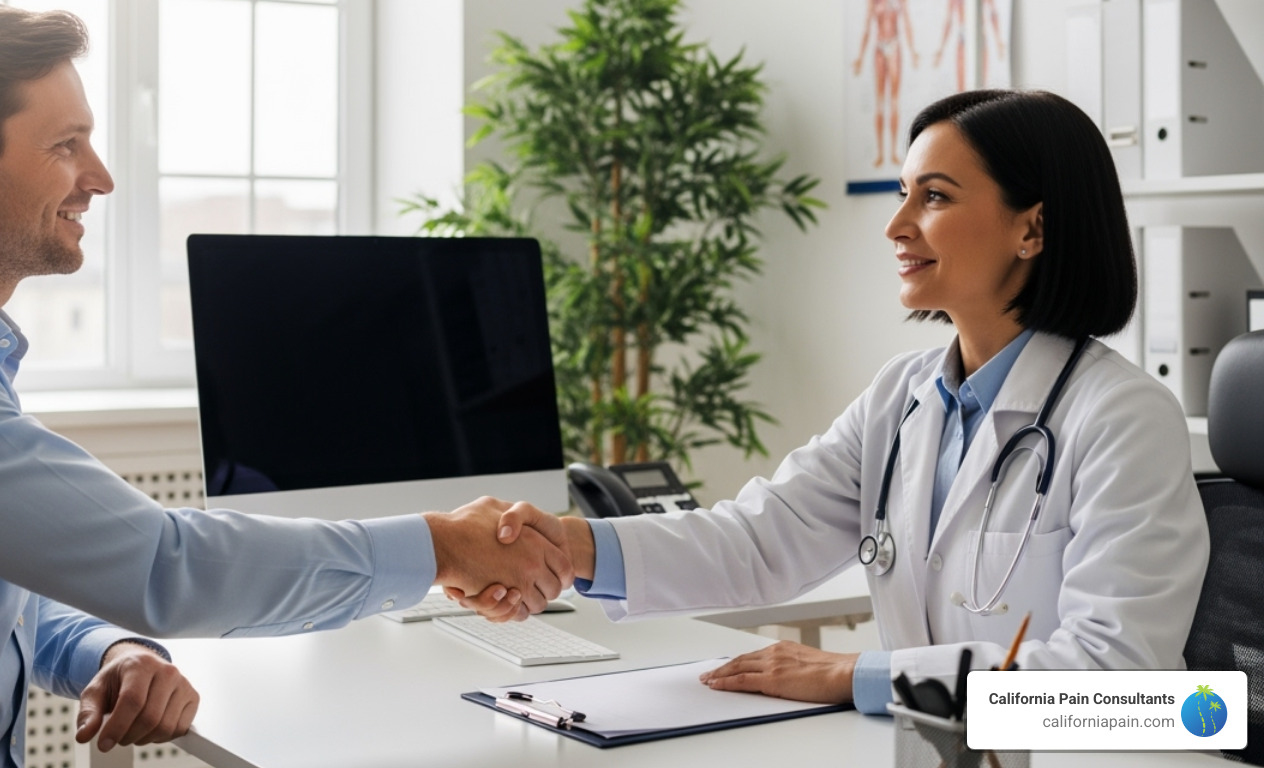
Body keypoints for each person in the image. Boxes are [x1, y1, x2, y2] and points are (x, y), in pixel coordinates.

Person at [0, 0, 571, 767]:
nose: (99, 177)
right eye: (65, 145)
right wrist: (436, 545)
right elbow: (163, 566)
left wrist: (101, 649)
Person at [462, 89, 1209, 710]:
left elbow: (1118, 679)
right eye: (902, 195)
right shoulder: (903, 396)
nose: (896, 225)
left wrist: (856, 676)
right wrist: (571, 546)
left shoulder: (1121, 417)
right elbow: (760, 539)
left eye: (935, 197)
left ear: (1032, 228)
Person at [852, 0, 919, 168]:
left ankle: (894, 153)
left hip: (895, 45)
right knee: (880, 102)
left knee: (894, 101)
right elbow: (866, 26)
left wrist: (912, 50)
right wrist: (860, 57)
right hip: (879, 47)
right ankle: (881, 153)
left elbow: (906, 20)